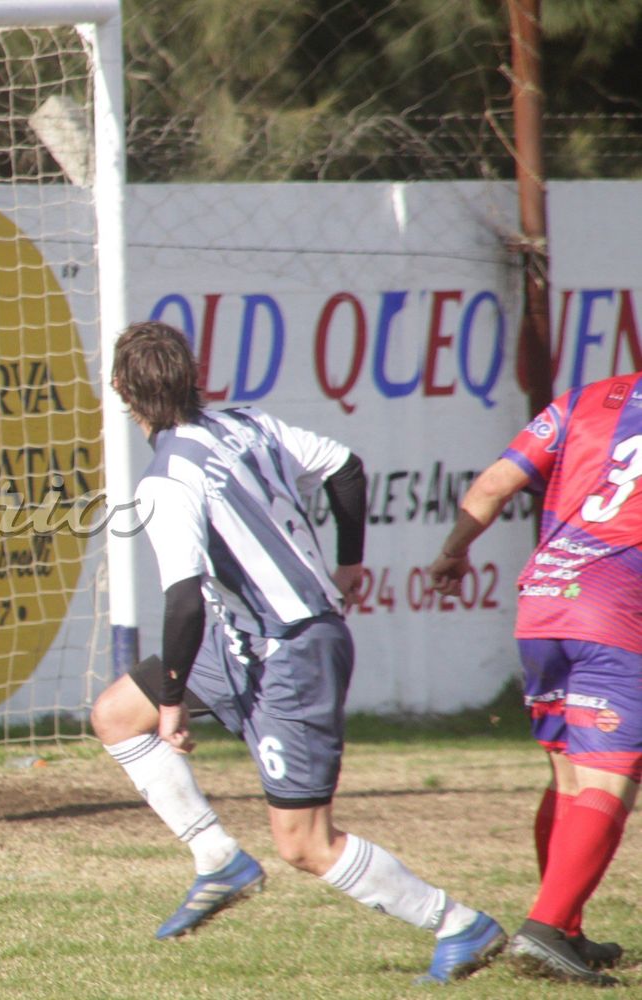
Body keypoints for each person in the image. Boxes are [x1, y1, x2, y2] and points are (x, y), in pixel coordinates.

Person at [92, 321, 506, 984]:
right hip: (247, 636)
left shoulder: (166, 481)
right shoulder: (247, 424)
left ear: (118, 388)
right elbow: (345, 467)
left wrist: (172, 705)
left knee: (304, 845)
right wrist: (350, 562)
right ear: (193, 375)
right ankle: (217, 859)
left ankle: (459, 923)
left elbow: (185, 602)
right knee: (117, 715)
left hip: (291, 651)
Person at [427, 373, 641, 987]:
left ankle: (566, 927)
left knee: (569, 773)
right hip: (616, 604)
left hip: (545, 596)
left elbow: (495, 483)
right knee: (612, 774)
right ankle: (546, 930)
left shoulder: (589, 398)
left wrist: (455, 549)